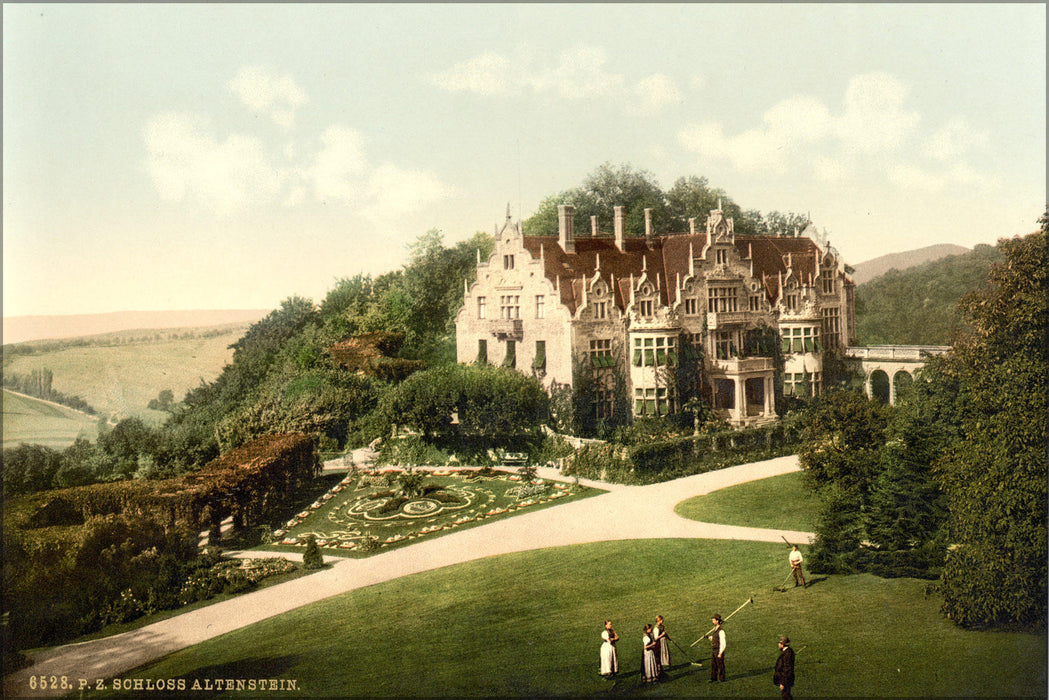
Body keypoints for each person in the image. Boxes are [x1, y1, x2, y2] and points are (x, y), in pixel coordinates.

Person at [710, 614, 726, 682]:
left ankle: (722, 678)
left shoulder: (721, 631)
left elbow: (723, 643)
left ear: (717, 621)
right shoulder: (715, 629)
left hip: (718, 650)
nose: (712, 621)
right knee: (714, 665)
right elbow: (714, 639)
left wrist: (720, 652)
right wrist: (708, 637)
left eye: (714, 620)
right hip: (714, 650)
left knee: (720, 665)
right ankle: (714, 678)